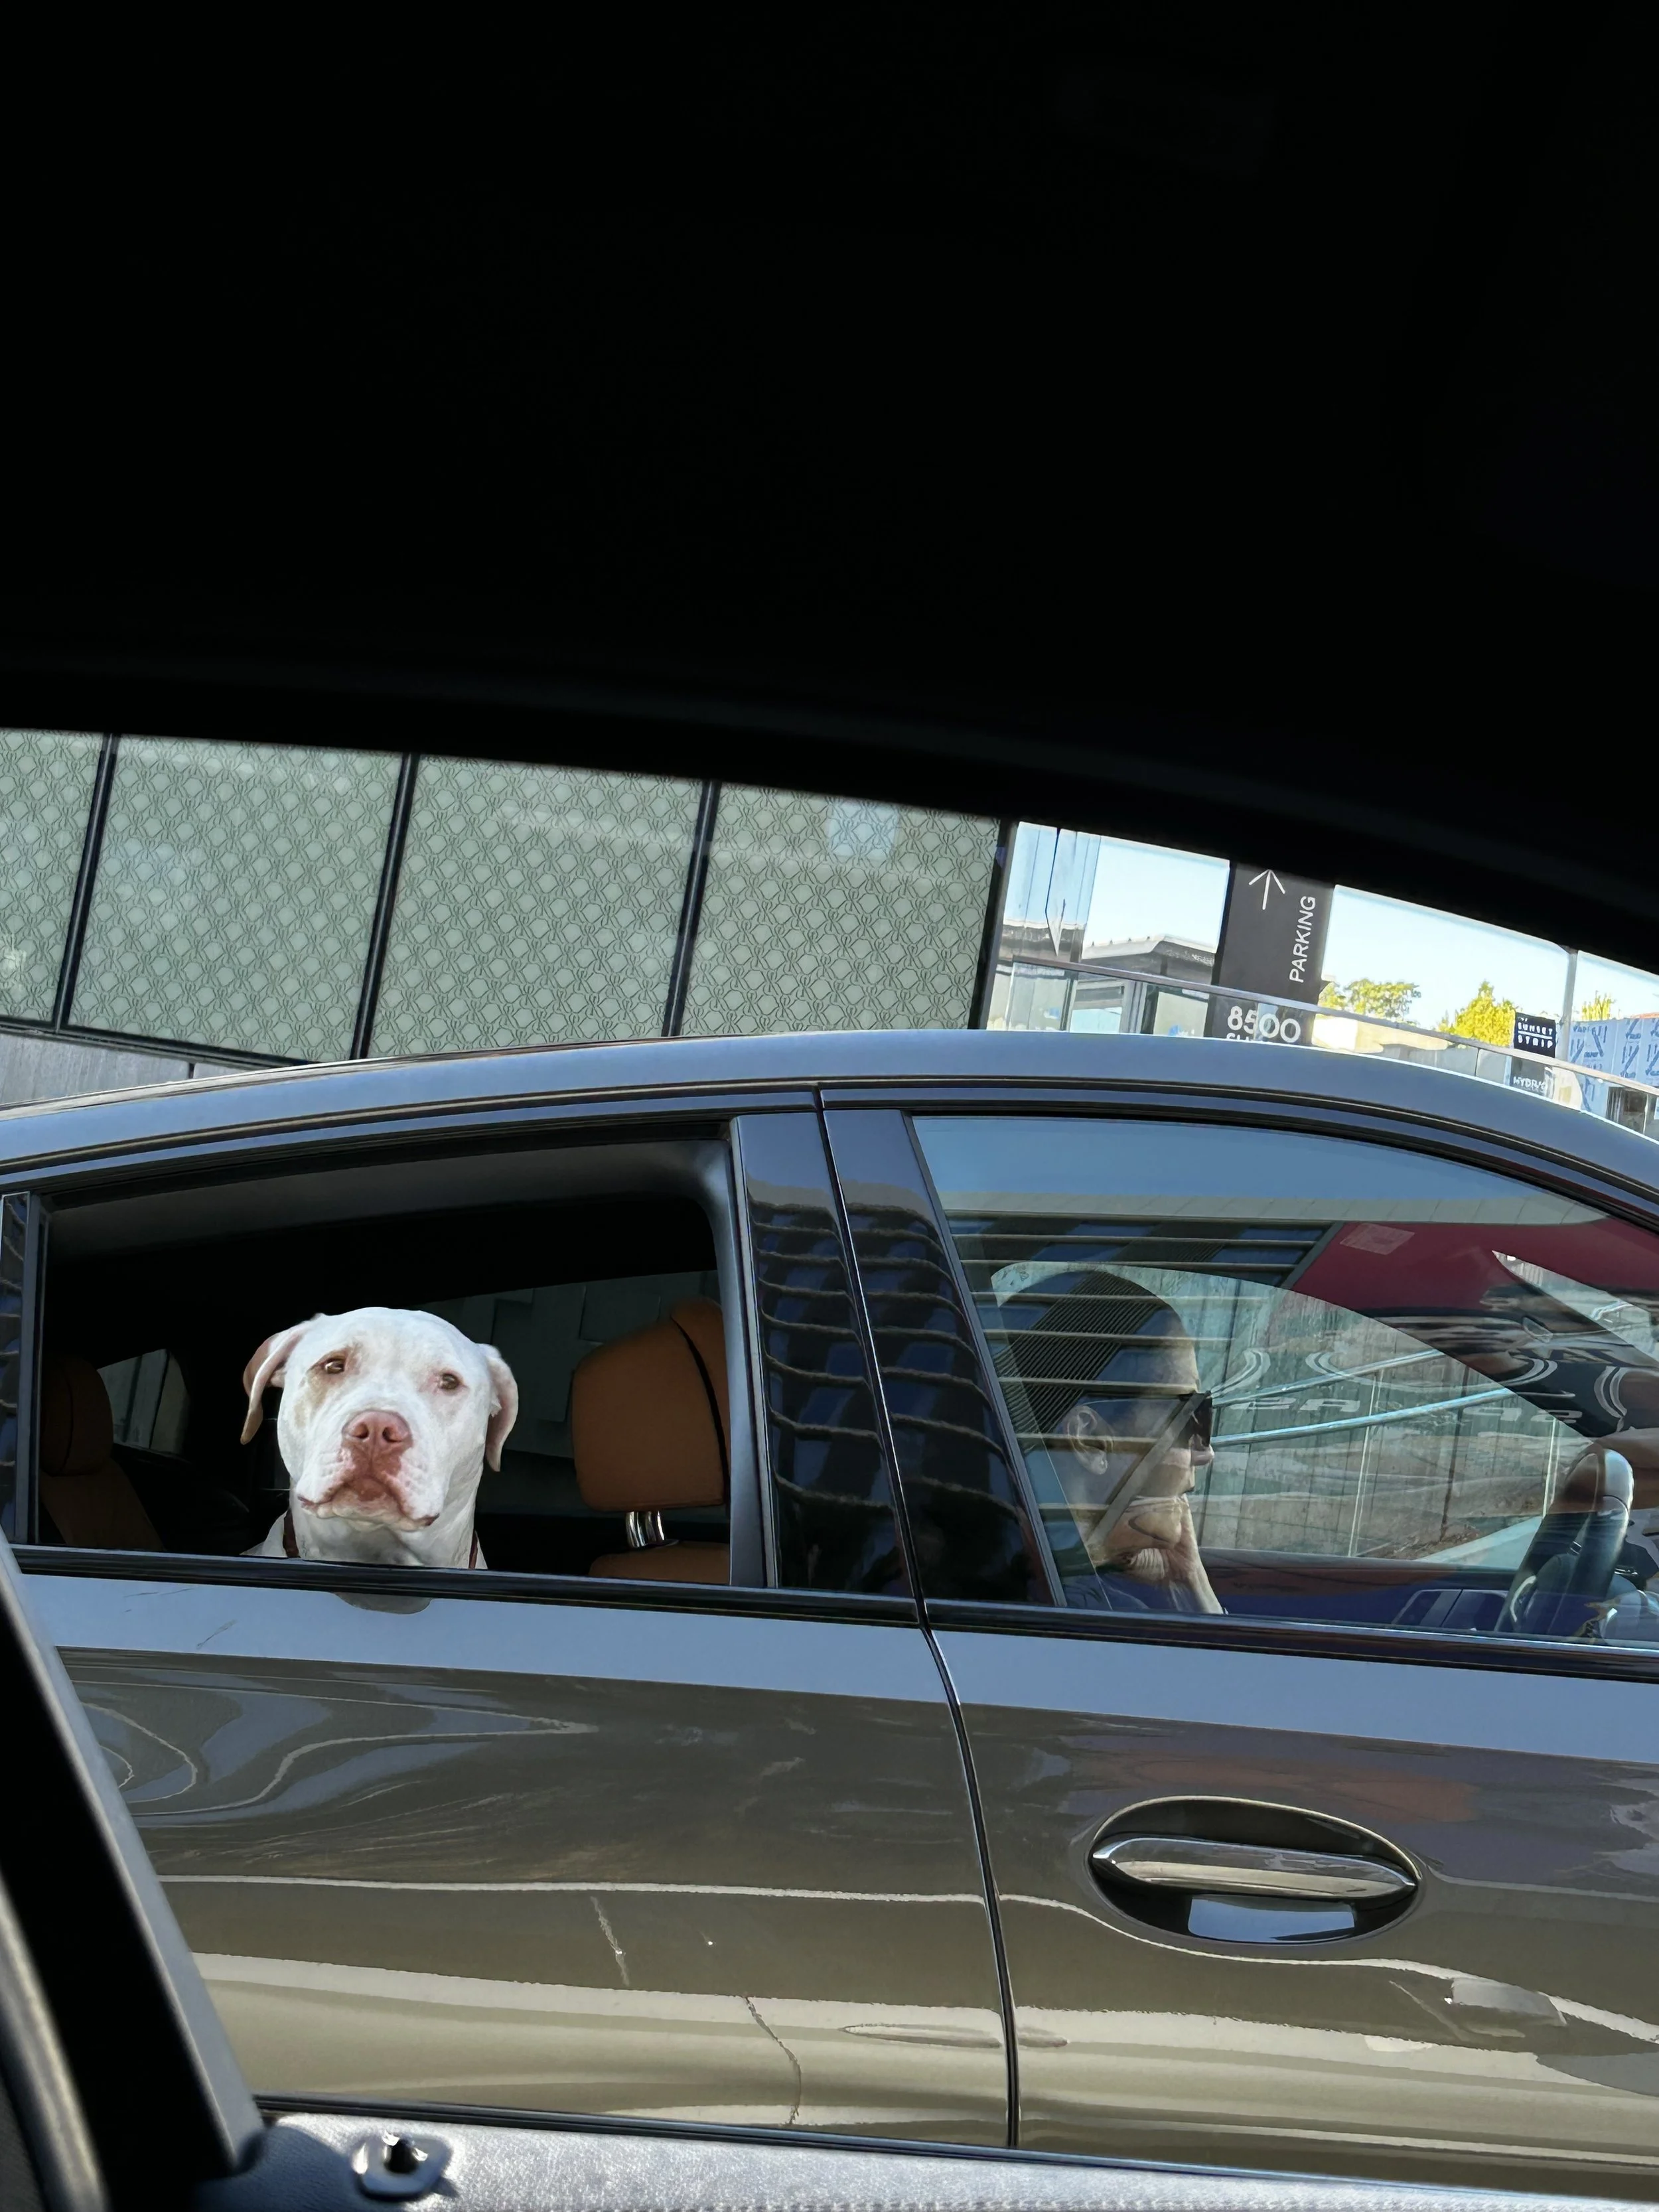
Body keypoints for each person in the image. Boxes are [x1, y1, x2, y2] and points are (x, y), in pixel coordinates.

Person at [1001, 1264, 1222, 1613]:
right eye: (1188, 1418)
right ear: (1090, 1440)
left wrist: (1190, 1581)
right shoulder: (1097, 1618)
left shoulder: (1011, 1574)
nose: (1205, 1452)